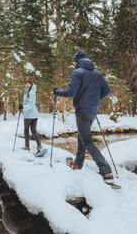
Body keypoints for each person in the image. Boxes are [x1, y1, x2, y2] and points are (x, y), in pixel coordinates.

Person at [53, 50, 114, 183]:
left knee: (87, 140)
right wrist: (95, 100)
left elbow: (70, 92)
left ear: (76, 61)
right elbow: (107, 90)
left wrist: (57, 91)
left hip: (82, 110)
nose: (73, 64)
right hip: (93, 110)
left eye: (73, 62)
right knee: (82, 136)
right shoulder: (97, 73)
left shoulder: (77, 73)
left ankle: (106, 170)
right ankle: (78, 164)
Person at [19, 77, 43, 154]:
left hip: (29, 115)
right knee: (33, 130)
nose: (27, 84)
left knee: (26, 131)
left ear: (31, 84)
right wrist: (23, 106)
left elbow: (31, 104)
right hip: (33, 115)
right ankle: (39, 146)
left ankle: (27, 147)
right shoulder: (27, 91)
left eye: (29, 83)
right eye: (26, 83)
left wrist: (23, 107)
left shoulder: (31, 92)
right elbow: (28, 103)